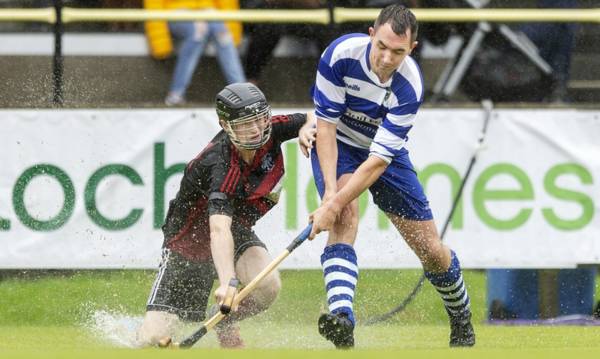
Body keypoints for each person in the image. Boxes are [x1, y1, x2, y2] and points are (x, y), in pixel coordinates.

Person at [307, 4, 475, 349]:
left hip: (384, 156)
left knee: (430, 250)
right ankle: (342, 320)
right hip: (338, 142)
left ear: (411, 49)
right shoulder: (340, 55)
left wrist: (334, 202)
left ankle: (460, 315)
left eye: (397, 52)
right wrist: (330, 199)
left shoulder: (409, 85)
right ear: (371, 34)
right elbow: (324, 128)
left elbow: (378, 161)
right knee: (344, 214)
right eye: (381, 46)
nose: (385, 58)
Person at [136, 82, 316, 348]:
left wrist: (306, 129)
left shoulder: (270, 130)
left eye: (259, 120)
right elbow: (217, 229)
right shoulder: (220, 163)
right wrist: (228, 282)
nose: (256, 130)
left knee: (268, 287)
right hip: (189, 243)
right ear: (225, 124)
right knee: (154, 338)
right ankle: (136, 332)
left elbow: (313, 115)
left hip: (236, 229)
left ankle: (223, 320)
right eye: (245, 124)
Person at [144, 0, 246, 106]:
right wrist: (161, 46)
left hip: (208, 12)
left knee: (222, 33)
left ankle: (243, 93)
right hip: (175, 12)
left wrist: (233, 34)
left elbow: (227, 3)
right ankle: (176, 93)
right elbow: (154, 5)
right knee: (197, 33)